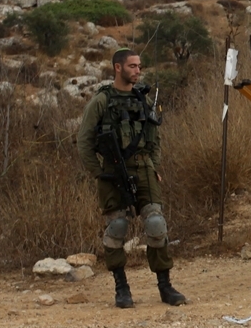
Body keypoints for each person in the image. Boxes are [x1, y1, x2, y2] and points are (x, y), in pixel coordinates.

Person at [76, 48, 186, 308]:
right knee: (117, 228)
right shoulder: (101, 101)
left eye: (139, 66)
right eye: (133, 66)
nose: (138, 71)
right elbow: (84, 141)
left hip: (144, 169)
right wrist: (98, 172)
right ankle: (121, 287)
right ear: (118, 68)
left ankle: (165, 286)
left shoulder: (143, 101)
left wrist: (154, 165)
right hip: (113, 172)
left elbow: (155, 138)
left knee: (156, 224)